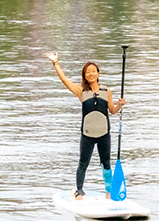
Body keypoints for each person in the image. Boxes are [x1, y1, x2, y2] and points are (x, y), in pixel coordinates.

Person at [46, 52, 126, 200]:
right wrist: (55, 63)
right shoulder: (81, 91)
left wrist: (119, 105)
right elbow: (64, 79)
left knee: (106, 164)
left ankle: (109, 192)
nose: (91, 74)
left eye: (93, 71)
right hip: (87, 135)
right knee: (83, 164)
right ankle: (80, 191)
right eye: (87, 72)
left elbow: (113, 111)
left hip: (104, 134)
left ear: (98, 74)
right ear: (84, 75)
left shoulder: (106, 91)